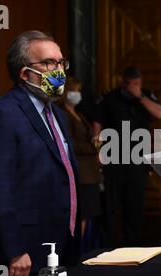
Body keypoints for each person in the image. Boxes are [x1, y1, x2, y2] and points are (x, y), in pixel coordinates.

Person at [0, 30, 81, 276]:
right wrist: (14, 250)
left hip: (57, 250)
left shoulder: (59, 116)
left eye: (60, 62)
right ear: (24, 73)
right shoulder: (1, 113)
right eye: (47, 63)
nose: (58, 70)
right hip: (20, 258)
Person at [91, 66, 161, 247]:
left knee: (135, 206)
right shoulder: (110, 97)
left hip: (137, 161)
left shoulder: (147, 96)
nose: (131, 87)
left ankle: (133, 246)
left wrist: (139, 95)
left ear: (141, 82)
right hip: (112, 160)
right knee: (109, 206)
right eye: (128, 83)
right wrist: (98, 149)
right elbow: (96, 124)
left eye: (136, 83)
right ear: (122, 81)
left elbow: (159, 113)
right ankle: (106, 247)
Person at [58, 76, 102, 251]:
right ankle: (74, 252)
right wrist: (92, 143)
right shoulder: (63, 114)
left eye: (79, 91)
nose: (77, 94)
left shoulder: (79, 113)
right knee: (80, 214)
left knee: (86, 215)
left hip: (89, 172)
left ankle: (79, 250)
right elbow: (69, 142)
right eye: (74, 90)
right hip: (80, 173)